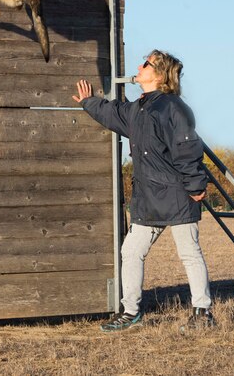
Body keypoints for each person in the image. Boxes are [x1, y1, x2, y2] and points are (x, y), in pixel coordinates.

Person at [73, 49, 214, 332]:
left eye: (145, 63)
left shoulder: (172, 107)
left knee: (189, 252)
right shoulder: (139, 108)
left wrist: (196, 185)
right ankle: (131, 311)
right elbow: (113, 113)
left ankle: (202, 312)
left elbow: (186, 148)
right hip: (148, 197)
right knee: (132, 251)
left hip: (177, 194)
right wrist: (89, 102)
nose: (139, 66)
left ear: (159, 75)